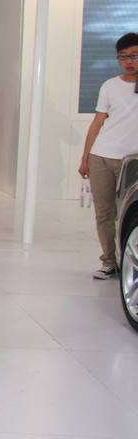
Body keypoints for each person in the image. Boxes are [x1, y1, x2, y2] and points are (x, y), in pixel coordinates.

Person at [78, 32, 138, 280]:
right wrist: (85, 157)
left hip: (132, 160)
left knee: (130, 214)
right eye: (123, 57)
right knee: (104, 213)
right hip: (101, 155)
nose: (129, 61)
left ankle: (129, 262)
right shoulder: (110, 86)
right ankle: (109, 262)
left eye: (134, 56)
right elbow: (97, 123)